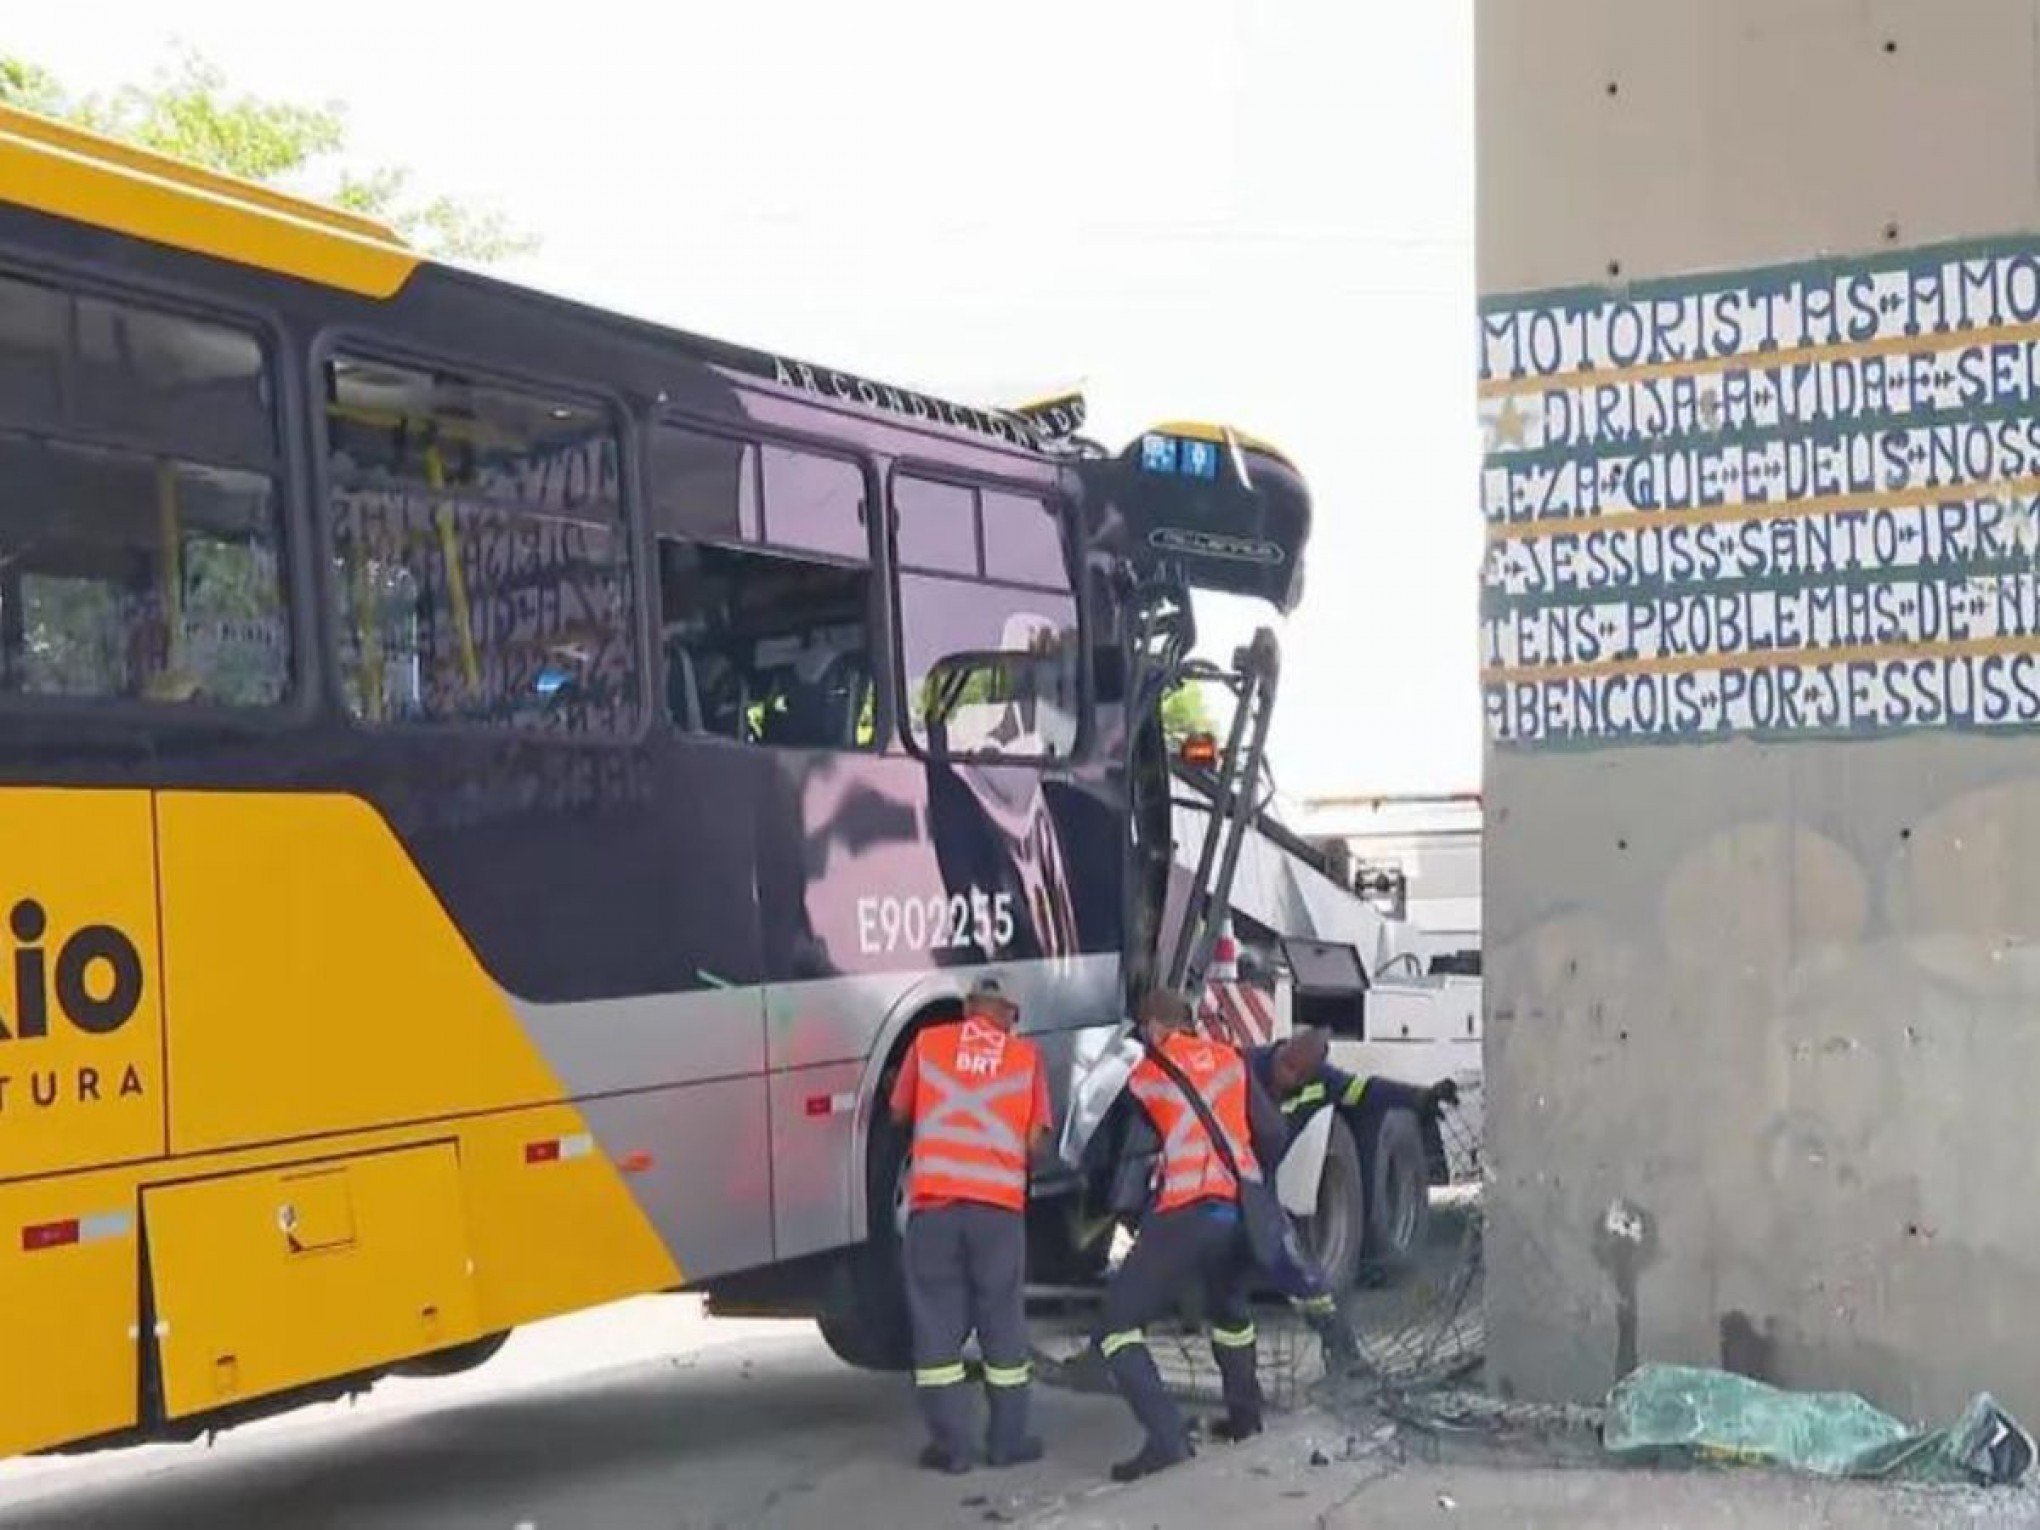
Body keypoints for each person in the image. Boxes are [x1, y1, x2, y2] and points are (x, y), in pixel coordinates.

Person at [1091, 988, 1291, 1482]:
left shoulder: (1147, 1074)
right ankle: (1246, 1420)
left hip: (1185, 1212)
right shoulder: (1231, 1061)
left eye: (1145, 1030)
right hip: (1236, 1210)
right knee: (1230, 1313)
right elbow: (1272, 1131)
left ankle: (1166, 1439)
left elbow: (1115, 1148)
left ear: (1156, 1029)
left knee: (1116, 1328)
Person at [888, 975, 1052, 1474]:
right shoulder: (1025, 1059)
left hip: (934, 1206)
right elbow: (1036, 1143)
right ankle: (1006, 1442)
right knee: (1002, 1322)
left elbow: (898, 1113)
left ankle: (952, 1448)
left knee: (936, 1324)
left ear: (968, 1009)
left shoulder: (928, 1043)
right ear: (1006, 1014)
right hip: (997, 1212)